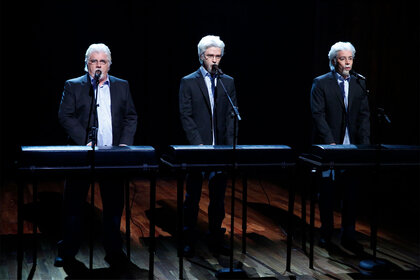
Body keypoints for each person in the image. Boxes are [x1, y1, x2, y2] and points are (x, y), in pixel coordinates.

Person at [56, 43, 137, 269]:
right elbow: (66, 116)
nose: (98, 65)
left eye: (103, 61)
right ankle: (67, 251)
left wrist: (124, 145)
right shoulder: (73, 86)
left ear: (109, 64)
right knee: (73, 205)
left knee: (113, 205)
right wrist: (86, 141)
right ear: (86, 64)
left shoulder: (122, 86)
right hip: (82, 155)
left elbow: (131, 116)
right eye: (94, 61)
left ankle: (114, 250)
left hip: (113, 156)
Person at [179, 35, 237, 257]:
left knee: (218, 198)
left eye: (218, 56)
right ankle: (189, 238)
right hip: (198, 149)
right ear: (201, 56)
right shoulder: (188, 81)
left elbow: (232, 115)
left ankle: (215, 236)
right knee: (192, 197)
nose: (214, 60)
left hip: (220, 149)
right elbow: (186, 115)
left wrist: (230, 146)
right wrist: (198, 145)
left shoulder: (227, 81)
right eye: (210, 56)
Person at [310, 41, 370, 253]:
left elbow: (364, 116)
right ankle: (326, 233)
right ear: (334, 61)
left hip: (352, 148)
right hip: (330, 148)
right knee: (327, 193)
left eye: (350, 59)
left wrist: (364, 146)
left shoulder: (359, 83)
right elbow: (318, 115)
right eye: (343, 59)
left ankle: (349, 234)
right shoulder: (321, 83)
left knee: (351, 193)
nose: (347, 63)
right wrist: (330, 142)